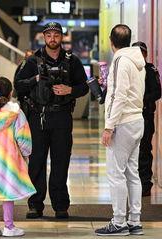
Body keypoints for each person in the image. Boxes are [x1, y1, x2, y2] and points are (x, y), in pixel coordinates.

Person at [14, 22, 89, 219]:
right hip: (37, 118)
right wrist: (35, 80)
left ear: (62, 37)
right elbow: (18, 86)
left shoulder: (73, 61)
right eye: (49, 35)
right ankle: (35, 205)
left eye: (56, 35)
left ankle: (60, 205)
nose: (52, 38)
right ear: (43, 37)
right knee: (36, 162)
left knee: (61, 162)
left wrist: (70, 90)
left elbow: (84, 86)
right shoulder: (32, 61)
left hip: (62, 117)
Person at [95, 24, 146, 236]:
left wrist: (109, 126)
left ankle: (118, 222)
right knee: (132, 173)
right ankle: (134, 220)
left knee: (116, 174)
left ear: (111, 40)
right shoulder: (138, 60)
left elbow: (118, 95)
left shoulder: (120, 60)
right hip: (137, 120)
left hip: (123, 123)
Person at [0, 77, 36, 237]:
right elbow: (24, 139)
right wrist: (25, 155)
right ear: (11, 93)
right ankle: (9, 227)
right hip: (10, 161)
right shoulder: (16, 113)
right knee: (8, 192)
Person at [131, 41, 161, 196]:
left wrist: (142, 99)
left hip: (145, 116)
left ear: (146, 54)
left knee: (144, 150)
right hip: (129, 117)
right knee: (130, 152)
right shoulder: (127, 68)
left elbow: (157, 92)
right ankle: (131, 182)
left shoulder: (150, 70)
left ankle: (145, 184)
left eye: (142, 52)